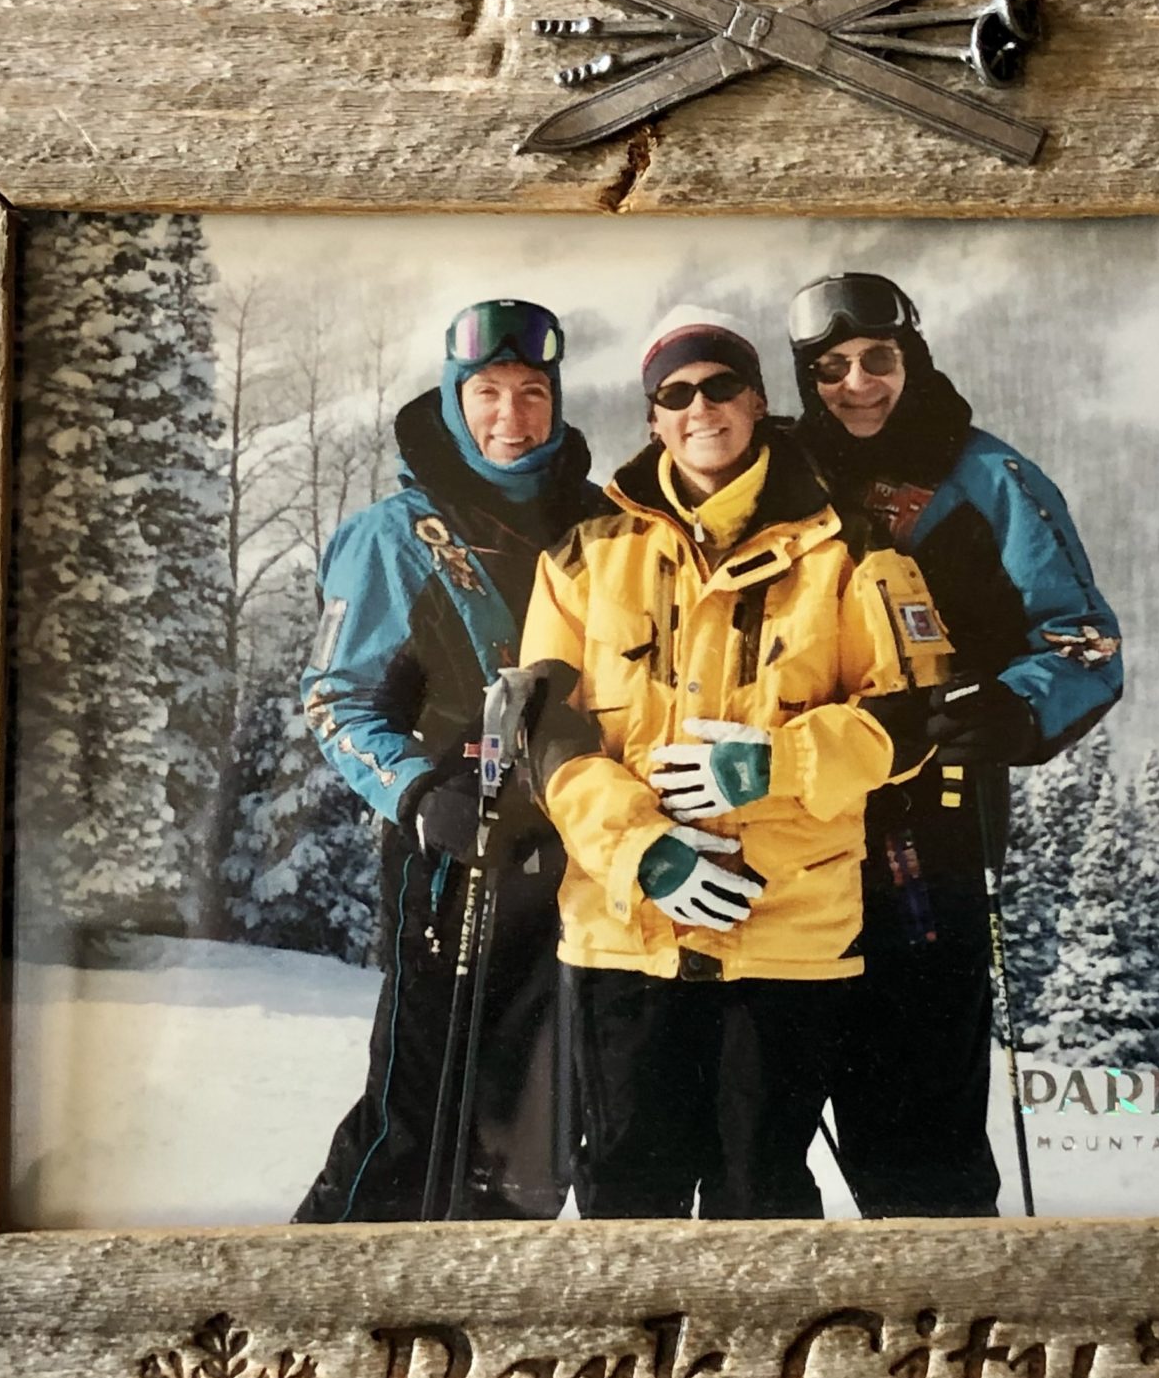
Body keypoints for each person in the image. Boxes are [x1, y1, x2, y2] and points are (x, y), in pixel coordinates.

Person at [518, 306, 951, 1218]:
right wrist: (643, 851)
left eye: (720, 386)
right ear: (652, 419)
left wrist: (779, 764)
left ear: (756, 401)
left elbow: (913, 715)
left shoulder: (852, 546)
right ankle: (625, 1365)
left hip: (786, 933)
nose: (698, 408)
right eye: (673, 395)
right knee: (628, 1185)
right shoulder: (586, 554)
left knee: (762, 1191)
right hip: (624, 933)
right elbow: (548, 736)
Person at [785, 271, 1124, 1217]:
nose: (859, 384)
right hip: (790, 831)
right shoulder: (775, 473)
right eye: (832, 367)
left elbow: (1084, 643)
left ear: (914, 357)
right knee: (765, 1132)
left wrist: (1013, 711)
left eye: (880, 360)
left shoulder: (987, 478)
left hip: (925, 839)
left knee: (918, 1131)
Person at [292, 298, 606, 1222]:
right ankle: (324, 1290)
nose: (512, 418)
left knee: (536, 1136)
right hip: (453, 858)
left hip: (576, 864)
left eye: (532, 393)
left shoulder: (596, 524)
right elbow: (337, 699)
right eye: (489, 394)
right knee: (415, 1116)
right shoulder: (396, 535)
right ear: (454, 397)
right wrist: (419, 789)